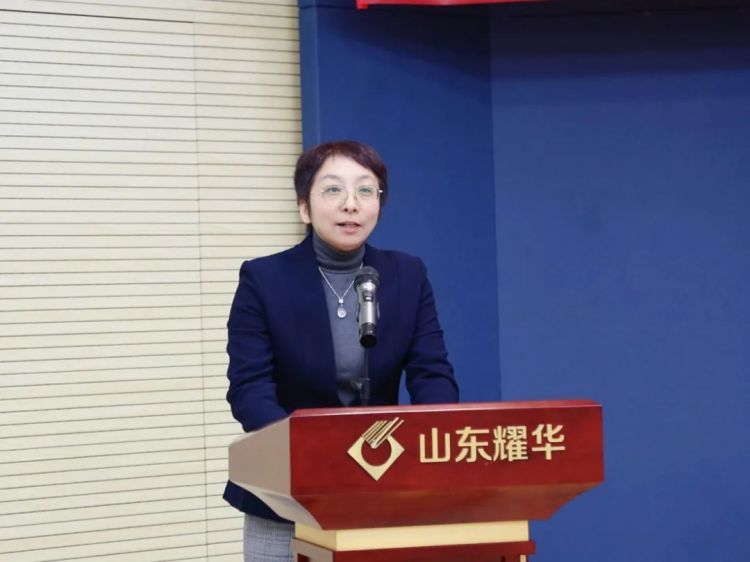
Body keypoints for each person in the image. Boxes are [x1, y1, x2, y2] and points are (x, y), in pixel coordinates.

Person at [223, 140, 459, 562]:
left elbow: (432, 374)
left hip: (381, 486)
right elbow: (249, 389)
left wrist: (430, 448)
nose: (351, 203)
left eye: (366, 190)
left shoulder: (407, 274)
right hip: (285, 498)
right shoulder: (264, 279)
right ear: (304, 207)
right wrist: (307, 457)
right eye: (333, 189)